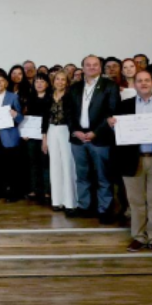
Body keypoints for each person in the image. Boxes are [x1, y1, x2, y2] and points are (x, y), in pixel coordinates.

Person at [110, 70, 152, 254]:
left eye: (146, 80)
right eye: (139, 81)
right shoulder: (123, 105)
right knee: (136, 201)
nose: (143, 83)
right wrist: (112, 125)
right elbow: (117, 134)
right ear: (134, 84)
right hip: (132, 160)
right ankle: (139, 236)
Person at [66, 55, 120, 222]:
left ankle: (104, 210)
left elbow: (112, 112)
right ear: (83, 68)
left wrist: (96, 132)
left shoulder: (109, 86)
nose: (91, 67)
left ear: (100, 67)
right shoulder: (74, 88)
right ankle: (85, 207)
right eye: (88, 65)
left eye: (95, 65)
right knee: (82, 176)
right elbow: (68, 113)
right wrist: (75, 130)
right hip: (78, 138)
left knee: (103, 177)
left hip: (100, 138)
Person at [43, 71, 77, 212]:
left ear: (67, 82)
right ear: (53, 81)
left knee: (68, 164)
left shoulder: (71, 96)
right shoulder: (49, 96)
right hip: (52, 130)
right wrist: (44, 138)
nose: (60, 82)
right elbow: (44, 118)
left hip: (66, 130)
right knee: (55, 164)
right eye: (58, 79)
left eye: (63, 80)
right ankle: (57, 200)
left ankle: (70, 202)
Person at [24, 75, 52, 203]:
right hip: (32, 135)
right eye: (37, 82)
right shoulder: (29, 99)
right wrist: (24, 132)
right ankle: (34, 189)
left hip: (48, 134)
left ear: (47, 84)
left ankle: (47, 191)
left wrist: (45, 135)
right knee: (32, 162)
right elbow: (26, 117)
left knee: (45, 162)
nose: (39, 84)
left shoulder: (51, 98)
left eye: (42, 81)